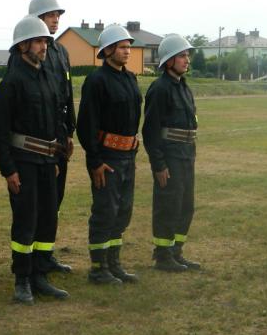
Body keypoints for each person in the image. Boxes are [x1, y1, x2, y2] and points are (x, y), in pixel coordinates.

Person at [0, 16, 69, 304]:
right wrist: (8, 170)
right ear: (23, 45)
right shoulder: (12, 82)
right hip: (23, 163)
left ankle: (40, 275)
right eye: (38, 41)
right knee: (26, 221)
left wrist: (57, 156)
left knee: (48, 220)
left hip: (48, 162)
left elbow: (56, 119)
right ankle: (22, 279)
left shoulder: (48, 78)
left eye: (45, 41)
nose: (44, 46)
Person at [9, 0, 77, 275]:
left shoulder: (60, 52)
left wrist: (69, 131)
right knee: (32, 205)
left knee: (53, 200)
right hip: (33, 140)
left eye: (57, 15)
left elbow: (66, 94)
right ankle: (28, 264)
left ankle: (44, 255)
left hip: (57, 135)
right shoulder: (23, 56)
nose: (55, 20)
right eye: (50, 15)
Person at [76, 24, 142, 285]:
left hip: (127, 157)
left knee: (123, 211)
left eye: (128, 47)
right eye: (122, 47)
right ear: (108, 50)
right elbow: (86, 125)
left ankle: (114, 264)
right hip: (106, 158)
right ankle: (98, 268)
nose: (127, 51)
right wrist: (95, 161)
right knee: (106, 211)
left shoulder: (131, 79)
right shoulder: (96, 81)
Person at [142, 34, 202, 272]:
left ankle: (177, 252)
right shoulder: (160, 89)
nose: (187, 60)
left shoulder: (184, 87)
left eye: (187, 55)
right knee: (168, 205)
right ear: (169, 61)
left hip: (186, 155)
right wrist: (159, 164)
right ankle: (163, 255)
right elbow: (150, 130)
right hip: (170, 157)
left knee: (185, 205)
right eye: (182, 56)